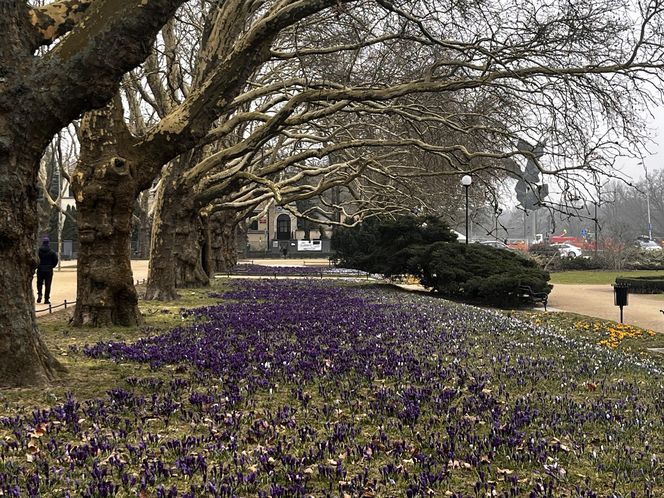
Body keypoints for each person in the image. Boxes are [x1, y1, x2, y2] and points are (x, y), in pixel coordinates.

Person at [36, 236, 58, 304]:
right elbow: (55, 260)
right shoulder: (52, 252)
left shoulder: (38, 251)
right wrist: (52, 266)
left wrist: (37, 266)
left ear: (43, 242)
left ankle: (39, 294)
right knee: (47, 285)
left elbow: (35, 259)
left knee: (39, 283)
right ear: (48, 243)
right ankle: (46, 299)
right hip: (48, 270)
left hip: (40, 269)